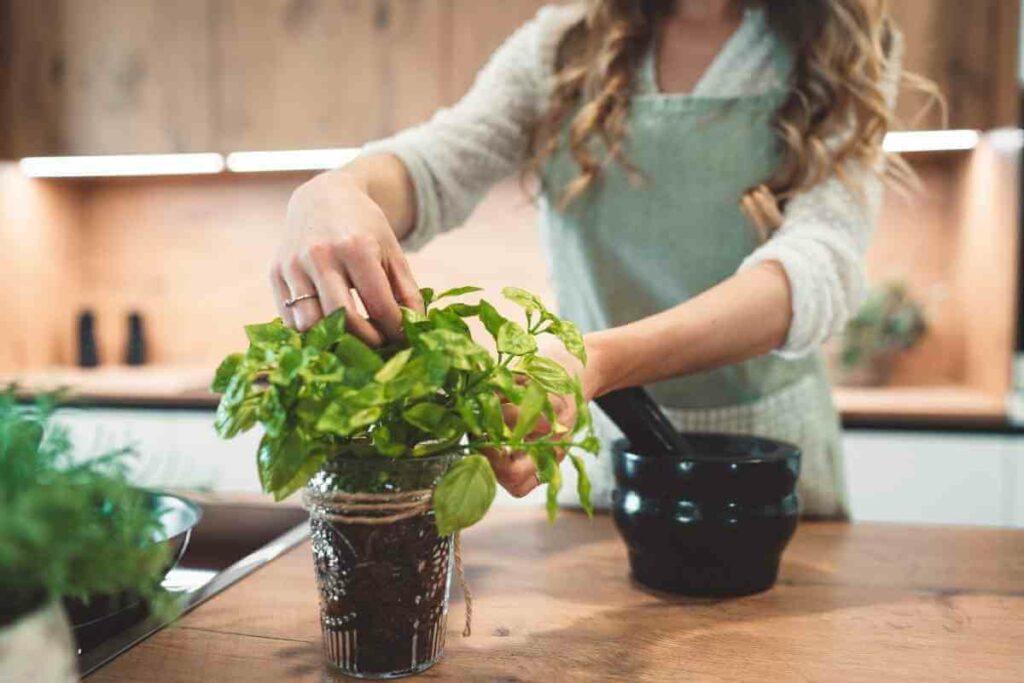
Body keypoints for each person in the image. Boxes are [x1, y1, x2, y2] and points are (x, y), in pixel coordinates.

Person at [271, 0, 911, 518]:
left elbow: (817, 267)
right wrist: (338, 190)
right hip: (609, 453)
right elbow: (437, 165)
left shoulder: (843, 50)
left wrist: (597, 359)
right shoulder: (560, 48)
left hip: (770, 459)